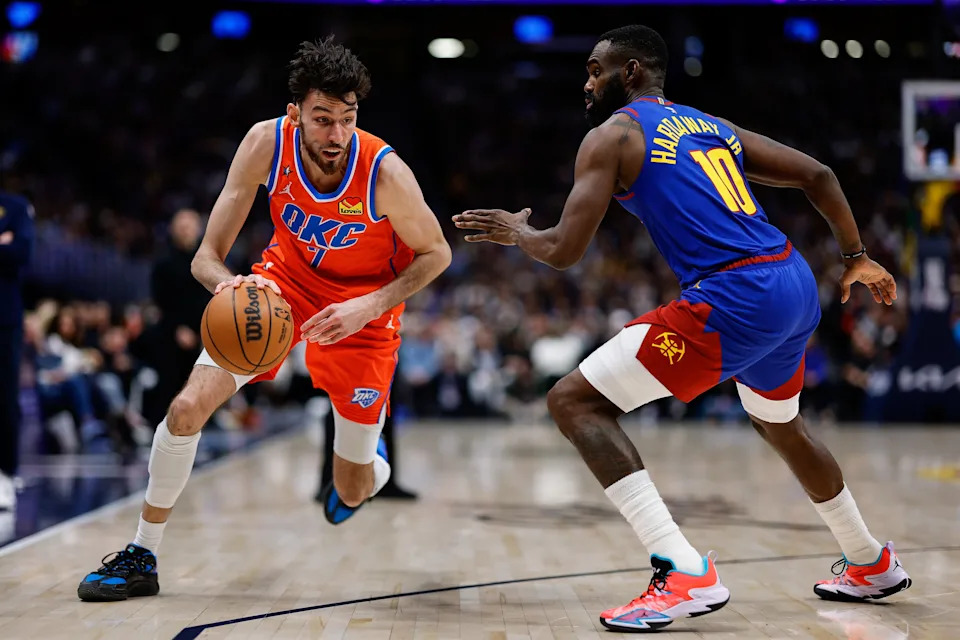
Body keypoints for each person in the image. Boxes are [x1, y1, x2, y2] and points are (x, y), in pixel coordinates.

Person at [454, 24, 908, 633]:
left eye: (595, 69)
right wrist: (854, 256)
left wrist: (519, 233)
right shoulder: (710, 125)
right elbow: (819, 175)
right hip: (793, 283)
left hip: (735, 295)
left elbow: (563, 249)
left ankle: (682, 569)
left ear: (633, 72)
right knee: (782, 426)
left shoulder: (611, 136)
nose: (586, 82)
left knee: (573, 402)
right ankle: (869, 560)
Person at [78, 36, 451, 602]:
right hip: (280, 292)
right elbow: (205, 256)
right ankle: (142, 553)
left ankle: (367, 467)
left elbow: (437, 254)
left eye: (347, 119)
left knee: (350, 491)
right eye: (323, 119)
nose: (336, 135)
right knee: (185, 408)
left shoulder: (385, 174)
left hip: (364, 315)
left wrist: (370, 305)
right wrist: (230, 287)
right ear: (294, 112)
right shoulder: (264, 144)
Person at [0, 191, 34, 511]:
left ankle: (6, 475)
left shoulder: (15, 206)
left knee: (5, 399)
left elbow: (21, 253)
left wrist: (10, 247)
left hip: (4, 318)